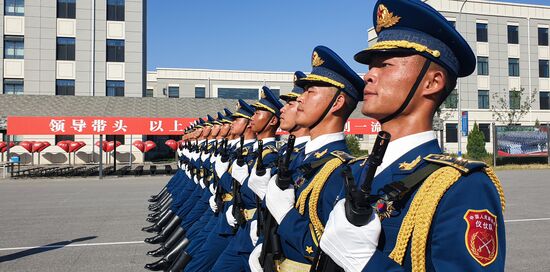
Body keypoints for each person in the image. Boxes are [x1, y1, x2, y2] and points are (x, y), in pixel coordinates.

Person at [318, 0, 506, 271]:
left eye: (385, 65)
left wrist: (366, 263)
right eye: (371, 66)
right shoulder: (352, 171)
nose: (368, 75)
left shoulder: (463, 187)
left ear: (432, 82)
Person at [261, 45, 365, 271]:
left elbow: (328, 250)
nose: (300, 100)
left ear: (336, 103)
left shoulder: (341, 169)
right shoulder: (303, 157)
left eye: (310, 92)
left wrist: (286, 215)